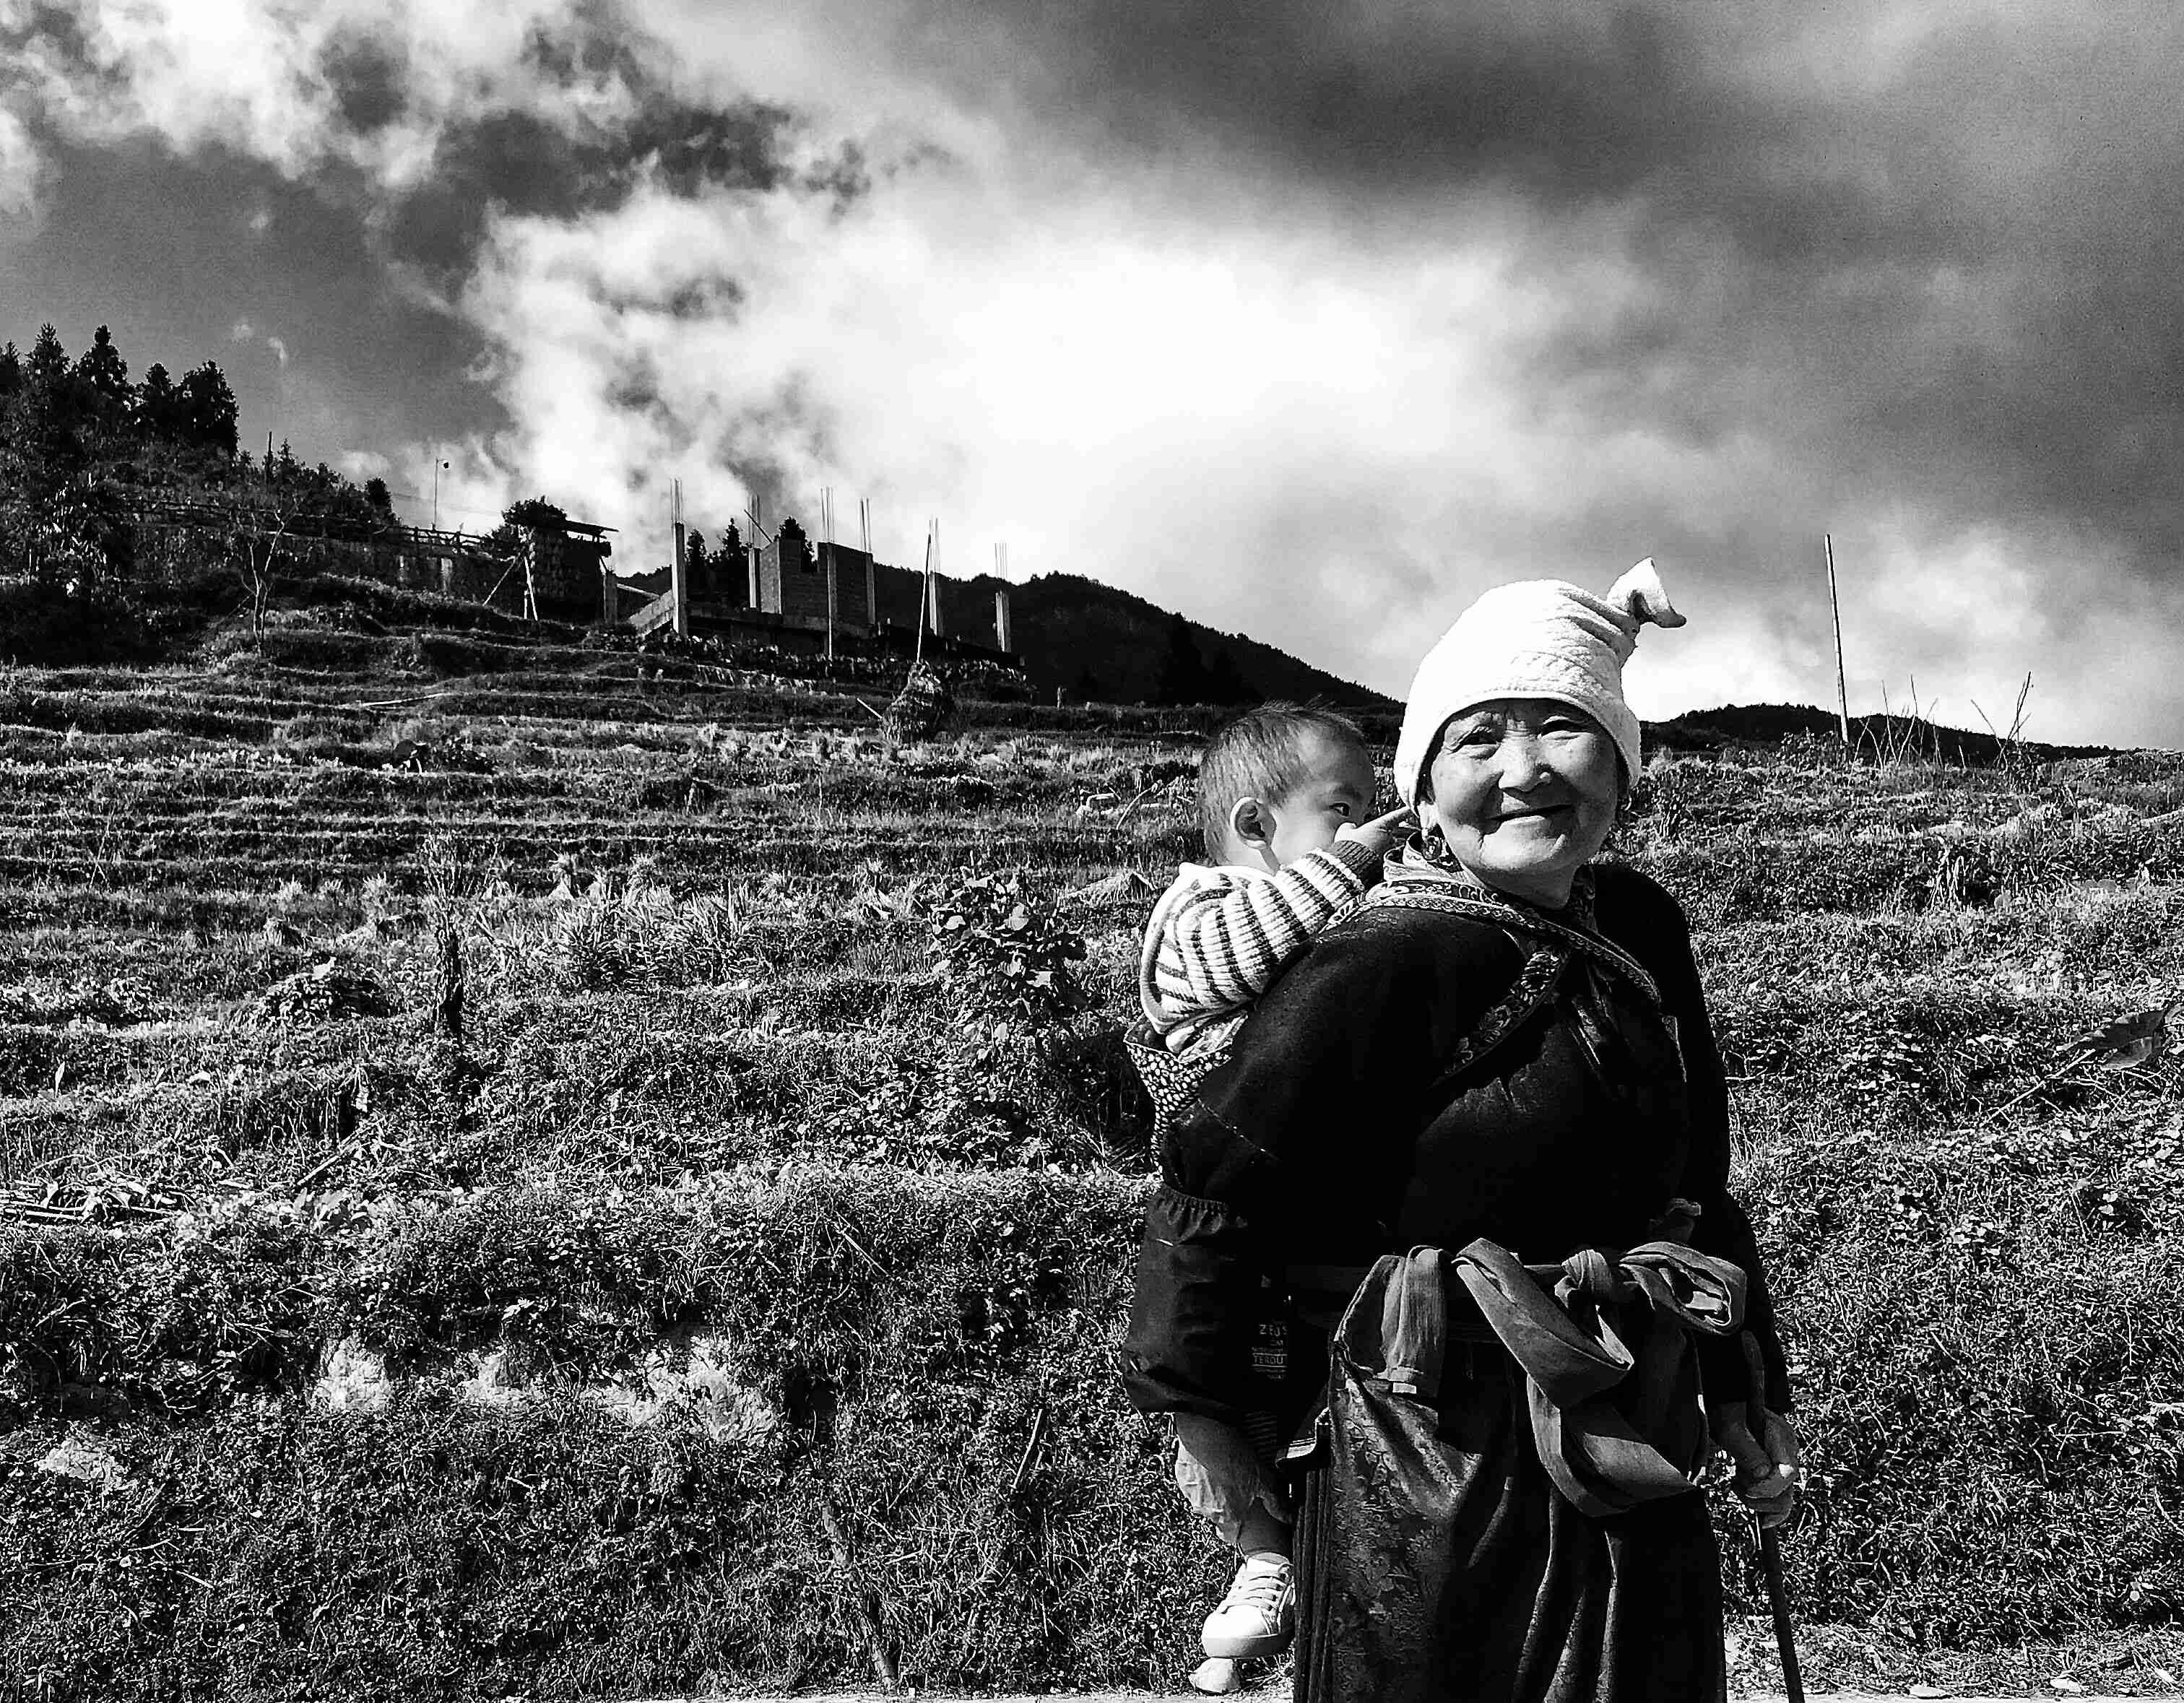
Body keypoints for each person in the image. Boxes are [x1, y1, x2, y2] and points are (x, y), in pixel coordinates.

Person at [1122, 560, 1800, 1702]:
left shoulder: (1642, 928)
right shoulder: (1384, 953)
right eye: (1480, 738)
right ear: (1425, 791)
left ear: (1621, 763)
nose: (1524, 768)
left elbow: (1698, 1191)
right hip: (1426, 1459)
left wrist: (1744, 1384)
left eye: (1564, 729)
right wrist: (1202, 1419)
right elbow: (1212, 1178)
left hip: (1635, 1432)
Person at [1133, 701, 1412, 1667]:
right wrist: (1348, 867)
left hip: (1313, 1208)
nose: (1370, 826)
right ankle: (1261, 1554)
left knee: (1304, 1387)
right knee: (1216, 1388)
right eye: (1345, 809)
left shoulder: (1330, 921)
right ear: (1256, 825)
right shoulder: (1197, 914)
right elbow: (1241, 956)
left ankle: (1312, 1564)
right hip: (1227, 1208)